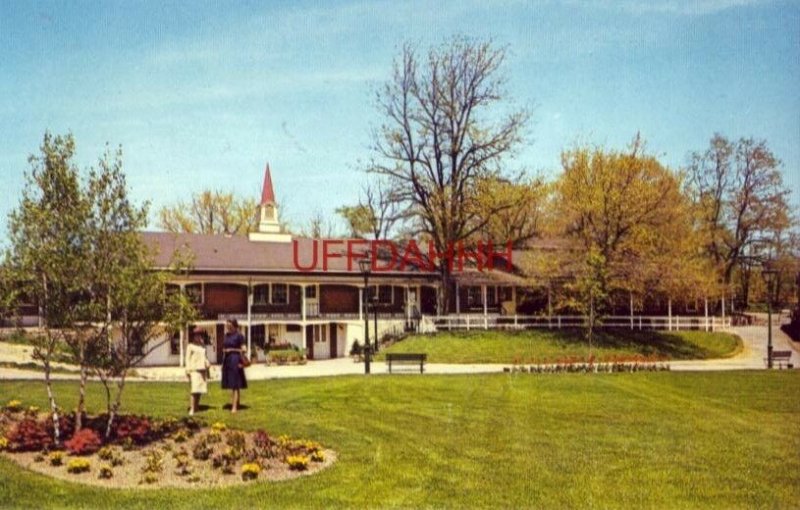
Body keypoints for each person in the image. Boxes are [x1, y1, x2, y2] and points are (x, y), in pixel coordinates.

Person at [221, 319, 247, 413]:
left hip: (235, 360)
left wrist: (231, 350)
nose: (228, 327)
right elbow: (224, 347)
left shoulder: (239, 336)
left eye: (230, 325)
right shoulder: (226, 335)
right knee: (232, 383)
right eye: (227, 325)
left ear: (234, 325)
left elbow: (244, 350)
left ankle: (234, 407)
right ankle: (237, 404)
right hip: (227, 360)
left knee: (235, 384)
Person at [185, 326, 210, 416]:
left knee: (200, 390)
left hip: (202, 369)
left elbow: (205, 357)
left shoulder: (203, 346)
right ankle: (192, 409)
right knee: (194, 389)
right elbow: (187, 359)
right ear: (193, 336)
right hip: (194, 370)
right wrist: (188, 370)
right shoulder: (190, 346)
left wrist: (208, 363)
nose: (198, 337)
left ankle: (196, 407)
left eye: (200, 335)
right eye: (196, 335)